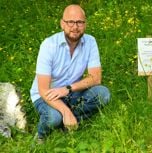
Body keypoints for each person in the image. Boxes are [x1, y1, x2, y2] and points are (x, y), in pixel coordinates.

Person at [30, 4, 110, 142]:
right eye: (70, 22)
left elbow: (96, 78)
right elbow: (43, 90)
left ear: (85, 24)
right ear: (62, 24)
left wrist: (68, 89)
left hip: (71, 92)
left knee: (103, 94)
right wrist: (65, 110)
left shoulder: (90, 42)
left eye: (79, 22)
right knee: (54, 118)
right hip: (46, 95)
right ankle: (41, 137)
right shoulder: (48, 45)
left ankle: (66, 124)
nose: (75, 27)